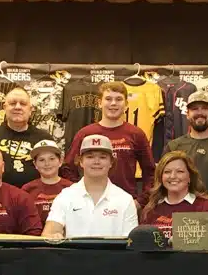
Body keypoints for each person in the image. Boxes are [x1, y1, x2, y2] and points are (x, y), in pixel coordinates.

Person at [62, 81, 155, 209]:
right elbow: (67, 169)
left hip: (126, 204)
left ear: (126, 104)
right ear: (99, 103)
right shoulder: (85, 133)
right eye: (108, 99)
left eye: (118, 99)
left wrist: (140, 201)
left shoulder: (136, 134)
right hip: (91, 205)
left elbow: (150, 172)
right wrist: (79, 195)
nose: (113, 103)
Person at [44, 135, 138, 239]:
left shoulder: (125, 200)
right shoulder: (65, 196)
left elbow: (131, 243)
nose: (96, 162)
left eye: (102, 157)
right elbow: (49, 233)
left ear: (111, 162)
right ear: (80, 161)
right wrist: (54, 235)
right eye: (90, 157)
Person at [0, 88, 51, 188]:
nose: (17, 107)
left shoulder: (44, 139)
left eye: (23, 104)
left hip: (35, 198)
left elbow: (54, 175)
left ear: (30, 110)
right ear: (4, 107)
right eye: (13, 103)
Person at [141, 150, 208, 239]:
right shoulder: (151, 208)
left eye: (180, 171)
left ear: (190, 177)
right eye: (167, 172)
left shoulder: (207, 207)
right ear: (161, 177)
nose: (172, 176)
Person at [21, 139, 73, 223]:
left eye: (52, 159)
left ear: (60, 161)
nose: (47, 164)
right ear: (35, 164)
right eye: (41, 160)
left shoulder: (71, 188)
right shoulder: (27, 189)